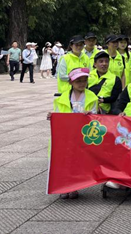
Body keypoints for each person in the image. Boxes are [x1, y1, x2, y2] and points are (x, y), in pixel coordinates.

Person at [48, 67, 99, 200]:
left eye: (84, 80)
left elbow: (95, 116)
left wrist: (90, 115)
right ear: (71, 82)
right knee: (64, 160)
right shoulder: (63, 98)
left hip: (81, 134)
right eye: (78, 81)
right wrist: (52, 116)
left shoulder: (92, 97)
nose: (82, 84)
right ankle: (64, 186)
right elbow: (58, 113)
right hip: (66, 134)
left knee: (77, 161)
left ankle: (74, 186)